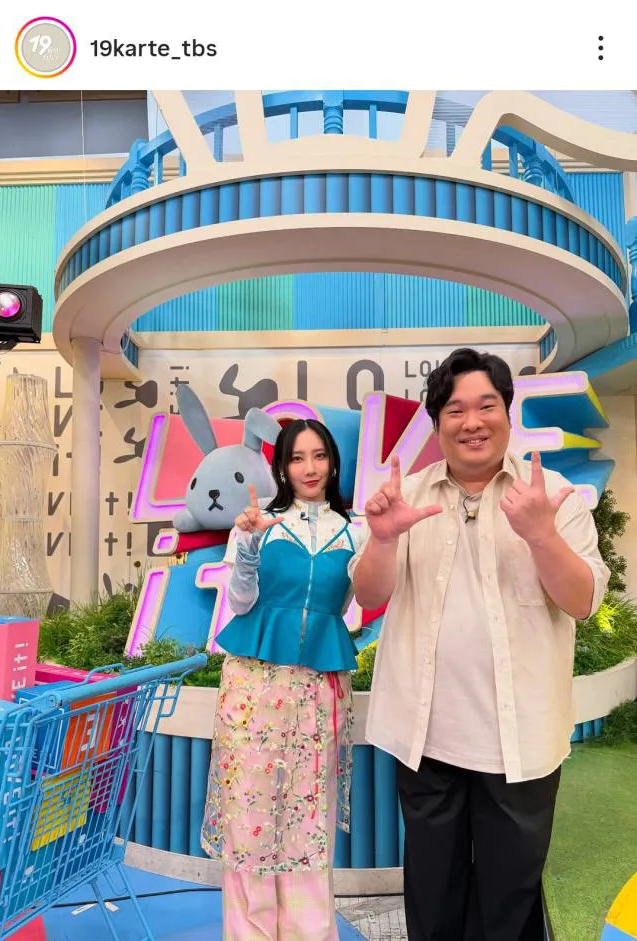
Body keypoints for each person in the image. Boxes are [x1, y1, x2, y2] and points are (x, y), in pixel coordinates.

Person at [351, 348, 610, 941]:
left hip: (521, 739)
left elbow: (583, 601)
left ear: (507, 412)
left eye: (486, 406)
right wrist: (383, 540)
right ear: (437, 422)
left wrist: (541, 536)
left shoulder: (552, 495)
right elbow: (368, 593)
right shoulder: (408, 495)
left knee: (508, 904)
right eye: (455, 410)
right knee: (433, 898)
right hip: (426, 735)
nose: (472, 422)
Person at [202, 418, 364, 941]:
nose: (309, 468)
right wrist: (249, 547)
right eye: (297, 458)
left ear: (333, 463)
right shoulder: (256, 525)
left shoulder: (355, 531)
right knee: (249, 813)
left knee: (307, 816)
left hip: (318, 688)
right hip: (253, 684)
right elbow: (240, 603)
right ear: (281, 468)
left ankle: (309, 932)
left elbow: (351, 604)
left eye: (319, 456)